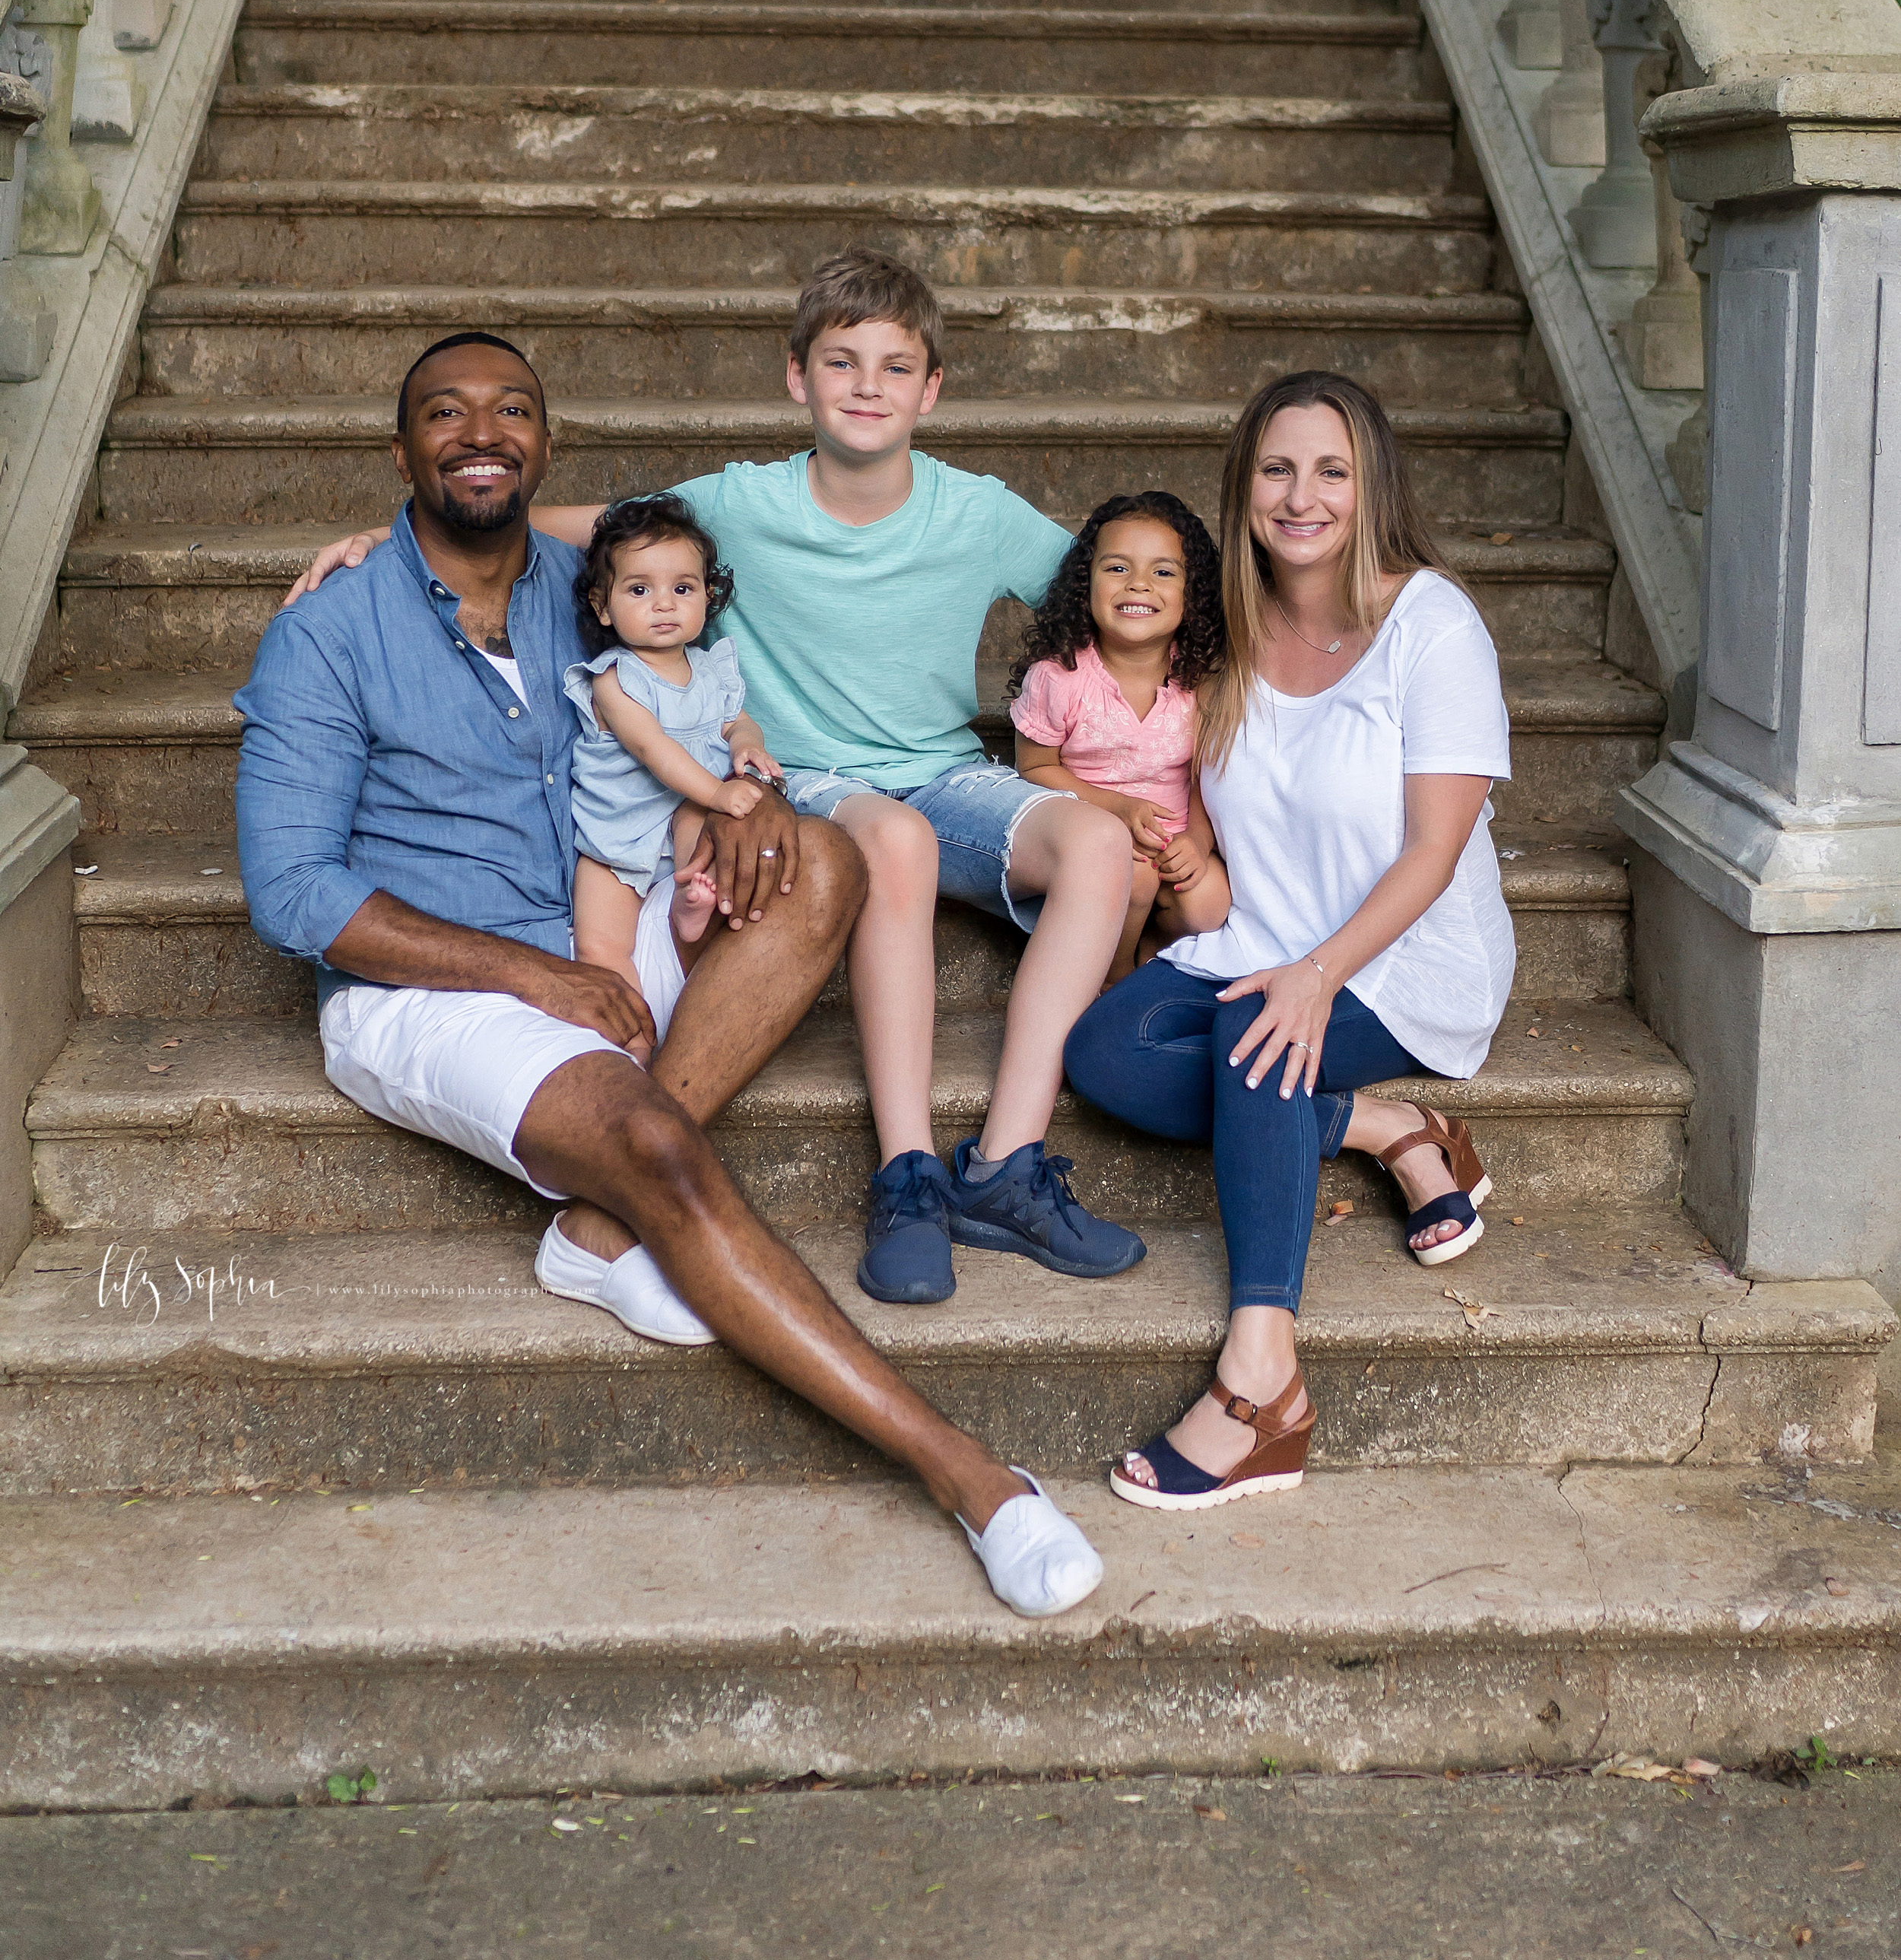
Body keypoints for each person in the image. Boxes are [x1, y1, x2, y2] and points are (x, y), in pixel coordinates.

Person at [238, 329, 1104, 1618]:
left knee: (821, 852)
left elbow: (723, 686)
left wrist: (748, 788)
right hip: (425, 977)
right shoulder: (330, 629)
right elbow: (294, 893)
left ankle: (592, 1224)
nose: (482, 432)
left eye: (512, 409)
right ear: (402, 443)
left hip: (607, 910)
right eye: (445, 411)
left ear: (547, 439)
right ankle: (972, 1473)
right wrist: (531, 974)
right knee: (661, 1147)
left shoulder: (594, 577)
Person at [287, 252, 1147, 1313]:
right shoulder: (739, 502)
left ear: (932, 390)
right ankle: (908, 1171)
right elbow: (582, 529)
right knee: (895, 843)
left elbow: (1126, 592)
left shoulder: (979, 513)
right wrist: (393, 537)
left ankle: (1007, 1163)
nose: (868, 386)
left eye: (894, 367)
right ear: (798, 378)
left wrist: (1110, 766)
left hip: (943, 773)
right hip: (814, 781)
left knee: (1103, 845)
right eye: (842, 361)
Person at [1064, 369, 1513, 1514]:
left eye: (1330, 470)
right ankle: (1389, 1126)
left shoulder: (1433, 627)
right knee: (1106, 1053)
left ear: (1370, 488)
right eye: (1275, 468)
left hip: (1404, 955)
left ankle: (1265, 1383)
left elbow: (1432, 851)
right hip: (1260, 938)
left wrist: (1317, 978)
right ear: (1244, 486)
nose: (1300, 495)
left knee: (1256, 1033)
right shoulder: (1220, 634)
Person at [1008, 492, 1232, 989]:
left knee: (1210, 900)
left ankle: (1149, 953)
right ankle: (1112, 974)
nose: (1139, 584)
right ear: (1083, 584)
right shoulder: (1059, 677)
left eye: (1164, 572)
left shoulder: (1199, 682)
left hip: (1172, 837)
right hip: (1093, 835)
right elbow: (1034, 768)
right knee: (1137, 876)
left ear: (1192, 594)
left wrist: (1197, 839)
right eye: (1117, 568)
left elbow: (1204, 776)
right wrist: (1118, 808)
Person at [565, 490, 781, 997]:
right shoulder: (615, 677)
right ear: (602, 606)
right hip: (615, 835)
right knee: (599, 943)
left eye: (683, 587)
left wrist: (746, 747)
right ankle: (628, 1029)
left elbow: (738, 721)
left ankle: (691, 899)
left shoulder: (711, 669)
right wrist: (721, 792)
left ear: (708, 595)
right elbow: (652, 749)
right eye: (639, 590)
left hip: (686, 810)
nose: (664, 603)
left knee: (704, 831)